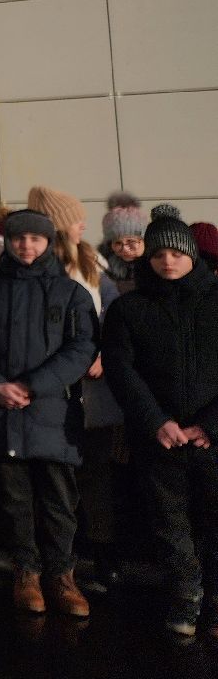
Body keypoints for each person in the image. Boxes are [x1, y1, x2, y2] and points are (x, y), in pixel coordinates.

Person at [0, 209, 99, 618]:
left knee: (58, 501)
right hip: (0, 411)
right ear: (8, 242)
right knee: (14, 501)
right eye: (19, 239)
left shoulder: (71, 293)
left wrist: (35, 385)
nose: (27, 246)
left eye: (35, 239)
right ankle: (26, 573)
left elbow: (83, 347)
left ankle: (62, 576)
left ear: (49, 242)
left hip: (51, 413)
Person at [102, 204, 218, 638]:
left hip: (212, 438)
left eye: (177, 252)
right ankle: (185, 595)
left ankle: (217, 600)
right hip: (158, 438)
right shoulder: (129, 309)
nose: (168, 260)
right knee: (170, 524)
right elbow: (120, 369)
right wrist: (156, 421)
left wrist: (210, 424)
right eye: (158, 253)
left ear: (194, 256)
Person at [27, 185, 124, 584]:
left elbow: (114, 316)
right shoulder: (36, 268)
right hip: (55, 393)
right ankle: (59, 558)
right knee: (56, 480)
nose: (83, 224)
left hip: (96, 391)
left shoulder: (93, 263)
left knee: (98, 476)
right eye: (74, 219)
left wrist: (104, 355)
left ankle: (104, 553)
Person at [99, 191, 147, 296]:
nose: (125, 249)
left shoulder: (159, 266)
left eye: (131, 242)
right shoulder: (102, 268)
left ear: (144, 240)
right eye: (118, 243)